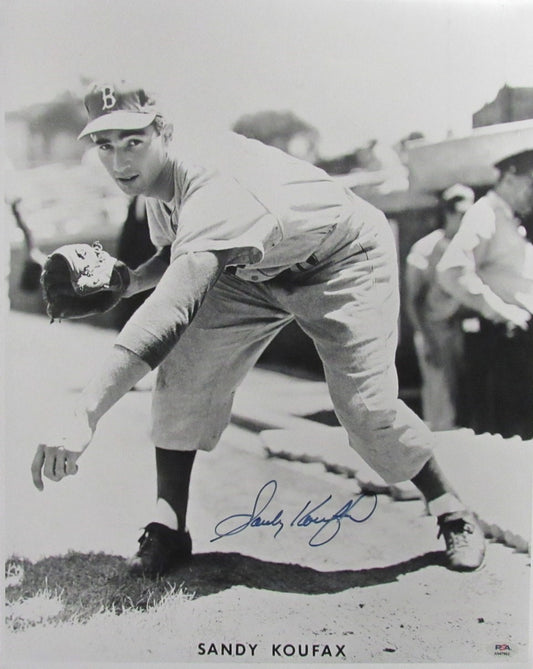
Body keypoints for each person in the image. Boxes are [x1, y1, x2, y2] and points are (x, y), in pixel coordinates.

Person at [31, 80, 486, 575]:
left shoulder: (211, 179)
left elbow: (172, 310)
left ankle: (452, 510)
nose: (120, 161)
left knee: (365, 410)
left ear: (163, 131)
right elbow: (178, 255)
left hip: (340, 259)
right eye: (105, 145)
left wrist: (84, 413)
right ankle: (169, 526)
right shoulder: (156, 188)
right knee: (185, 378)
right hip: (250, 270)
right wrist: (131, 282)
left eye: (133, 142)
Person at [437, 150, 533, 439]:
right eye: (532, 182)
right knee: (510, 432)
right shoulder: (485, 213)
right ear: (510, 177)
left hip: (519, 338)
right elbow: (452, 271)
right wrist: (503, 313)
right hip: (504, 339)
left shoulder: (510, 219)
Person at [405, 184, 475, 430]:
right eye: (462, 214)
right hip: (433, 330)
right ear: (450, 212)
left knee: (460, 398)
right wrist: (426, 339)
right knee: (440, 399)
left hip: (459, 330)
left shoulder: (469, 247)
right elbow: (413, 300)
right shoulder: (425, 248)